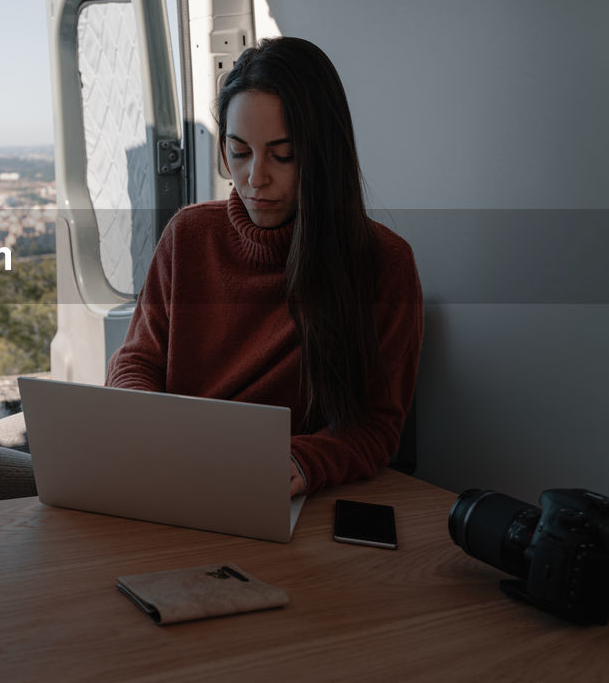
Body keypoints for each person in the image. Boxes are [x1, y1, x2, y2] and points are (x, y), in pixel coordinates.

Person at [105, 36, 424, 498]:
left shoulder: (384, 265)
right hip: (165, 470)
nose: (255, 178)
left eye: (283, 155)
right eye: (239, 152)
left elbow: (374, 427)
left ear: (323, 154)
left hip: (274, 493)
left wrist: (301, 461)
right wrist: (146, 422)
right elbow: (138, 359)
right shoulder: (188, 235)